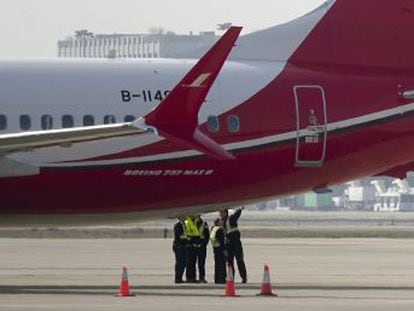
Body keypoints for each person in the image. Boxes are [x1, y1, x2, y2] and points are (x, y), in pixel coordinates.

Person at [220, 207, 247, 283]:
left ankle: (244, 277)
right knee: (230, 262)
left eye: (221, 213)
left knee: (239, 260)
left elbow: (236, 215)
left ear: (225, 213)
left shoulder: (231, 218)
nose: (220, 214)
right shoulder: (222, 221)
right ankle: (231, 278)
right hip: (228, 243)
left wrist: (240, 209)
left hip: (235, 241)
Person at [184, 215, 201, 283]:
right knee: (190, 263)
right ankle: (189, 278)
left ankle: (193, 277)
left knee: (193, 263)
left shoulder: (194, 222)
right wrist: (190, 242)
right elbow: (188, 234)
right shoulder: (188, 222)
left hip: (195, 246)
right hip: (190, 246)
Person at [210, 218, 227, 284]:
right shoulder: (219, 230)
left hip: (215, 248)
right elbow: (221, 241)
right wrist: (224, 250)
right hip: (220, 249)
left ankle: (217, 279)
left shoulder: (213, 229)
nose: (222, 222)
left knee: (217, 265)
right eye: (221, 221)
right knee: (221, 265)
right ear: (218, 222)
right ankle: (222, 279)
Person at [172, 216, 188, 284]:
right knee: (179, 263)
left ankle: (180, 277)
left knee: (183, 263)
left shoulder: (185, 225)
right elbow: (178, 236)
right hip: (179, 246)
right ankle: (177, 278)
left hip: (183, 246)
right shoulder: (178, 225)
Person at [195, 215, 209, 283]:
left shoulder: (204, 224)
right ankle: (192, 278)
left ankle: (202, 277)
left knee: (201, 263)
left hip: (202, 246)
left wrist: (204, 244)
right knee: (192, 263)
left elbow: (207, 235)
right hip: (194, 246)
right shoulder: (192, 223)